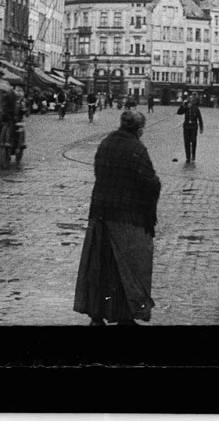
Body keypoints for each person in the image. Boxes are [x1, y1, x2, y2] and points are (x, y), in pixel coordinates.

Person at [74, 110, 159, 325]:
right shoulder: (137, 149)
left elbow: (98, 173)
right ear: (139, 129)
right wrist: (149, 213)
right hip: (127, 218)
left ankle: (96, 315)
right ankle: (125, 317)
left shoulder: (106, 143)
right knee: (129, 268)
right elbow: (150, 183)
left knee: (99, 267)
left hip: (100, 214)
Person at [176, 94, 206, 166]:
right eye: (190, 100)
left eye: (192, 101)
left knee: (193, 141)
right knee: (186, 142)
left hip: (193, 127)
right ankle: (188, 157)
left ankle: (193, 155)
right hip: (186, 127)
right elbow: (179, 112)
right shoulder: (186, 108)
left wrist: (201, 128)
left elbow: (200, 119)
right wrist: (183, 105)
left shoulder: (196, 108)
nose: (191, 102)